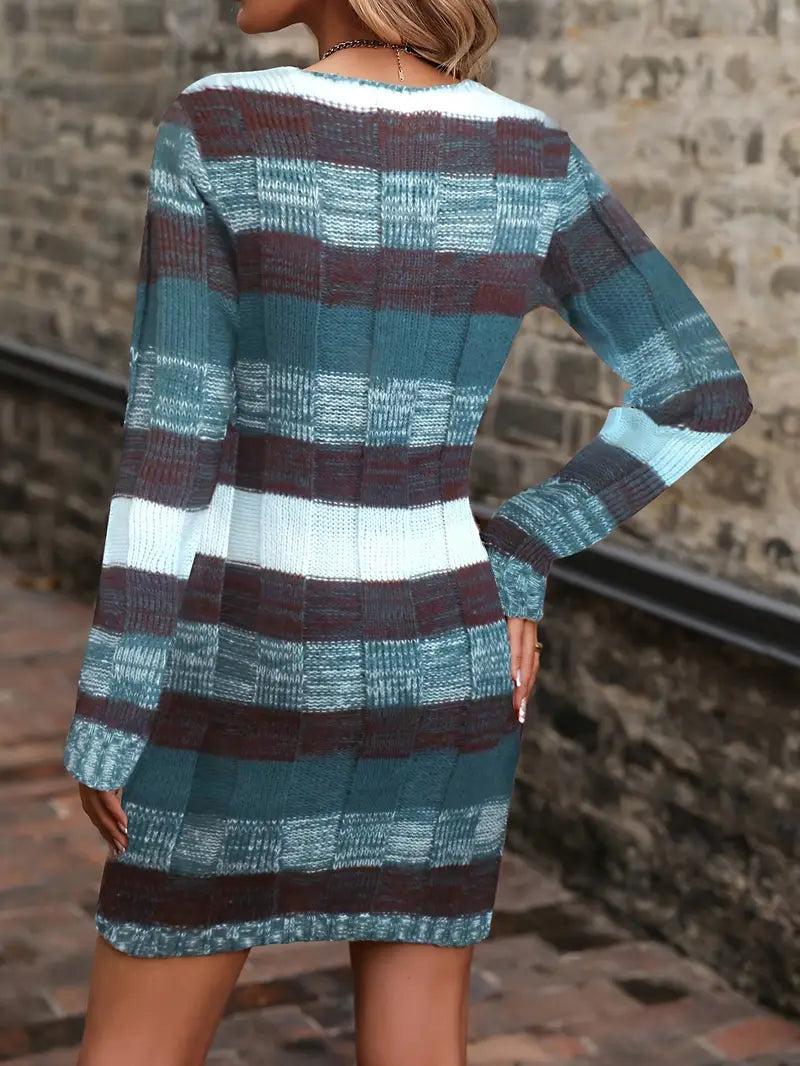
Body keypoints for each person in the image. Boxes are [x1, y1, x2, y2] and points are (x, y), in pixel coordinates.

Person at [61, 1, 753, 1063]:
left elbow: (173, 440)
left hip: (242, 658)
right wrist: (519, 544)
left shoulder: (220, 126)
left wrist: (115, 698)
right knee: (420, 1032)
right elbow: (699, 388)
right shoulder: (532, 153)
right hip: (445, 655)